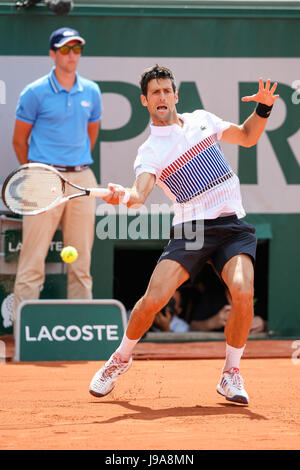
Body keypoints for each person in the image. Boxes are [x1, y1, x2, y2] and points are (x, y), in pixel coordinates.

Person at [89, 65, 279, 405]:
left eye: (166, 91)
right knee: (152, 302)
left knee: (243, 291)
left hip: (231, 225)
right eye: (155, 93)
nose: (162, 97)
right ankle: (119, 359)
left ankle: (230, 373)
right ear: (145, 101)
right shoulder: (150, 151)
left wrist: (263, 108)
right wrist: (124, 195)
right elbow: (138, 194)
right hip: (192, 229)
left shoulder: (202, 120)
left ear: (175, 96)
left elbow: (248, 136)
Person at [12, 27, 102, 320]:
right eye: (65, 49)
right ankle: (25, 332)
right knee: (32, 261)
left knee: (82, 262)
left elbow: (91, 135)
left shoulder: (91, 91)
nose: (72, 55)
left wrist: (72, 165)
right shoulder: (34, 92)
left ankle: (81, 331)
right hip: (42, 180)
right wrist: (40, 171)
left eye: (77, 49)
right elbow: (19, 140)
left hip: (82, 179)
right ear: (53, 54)